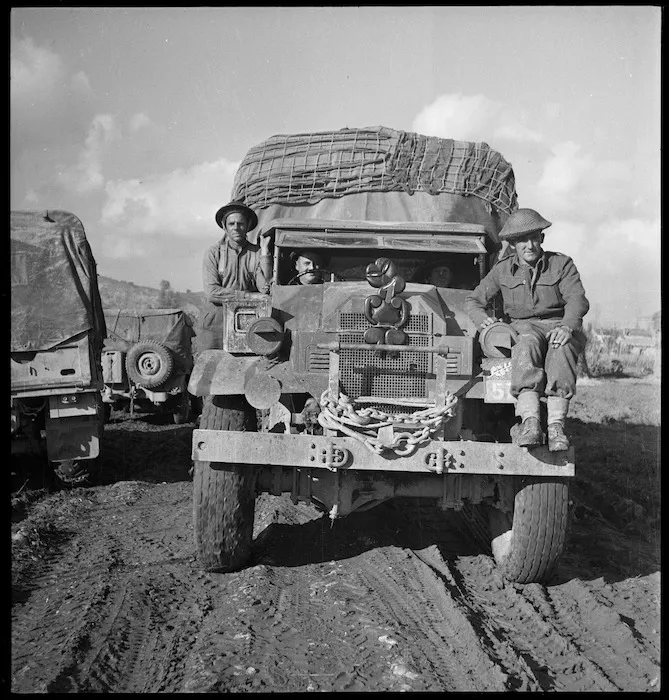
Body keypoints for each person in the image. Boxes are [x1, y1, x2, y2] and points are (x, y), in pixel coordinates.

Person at [464, 208, 589, 451]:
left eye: (534, 237)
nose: (529, 245)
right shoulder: (502, 270)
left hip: (557, 324)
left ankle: (556, 426)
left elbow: (577, 300)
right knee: (525, 344)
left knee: (561, 346)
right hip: (523, 328)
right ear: (512, 244)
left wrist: (567, 327)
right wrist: (482, 320)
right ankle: (530, 421)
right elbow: (474, 300)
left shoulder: (561, 264)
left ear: (542, 238)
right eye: (522, 240)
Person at [199, 201, 272, 350]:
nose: (236, 228)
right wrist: (248, 296)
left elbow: (265, 289)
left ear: (248, 225)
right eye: (231, 224)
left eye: (241, 223)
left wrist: (265, 254)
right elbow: (212, 293)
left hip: (246, 321)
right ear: (224, 226)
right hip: (216, 323)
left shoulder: (256, 253)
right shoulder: (214, 253)